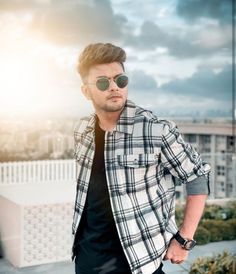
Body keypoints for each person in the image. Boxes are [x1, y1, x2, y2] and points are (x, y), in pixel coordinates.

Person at [71, 43, 211, 274]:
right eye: (103, 82)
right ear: (86, 91)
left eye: (120, 80)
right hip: (87, 259)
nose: (114, 87)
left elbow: (198, 176)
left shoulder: (155, 130)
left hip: (138, 262)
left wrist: (184, 239)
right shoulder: (81, 130)